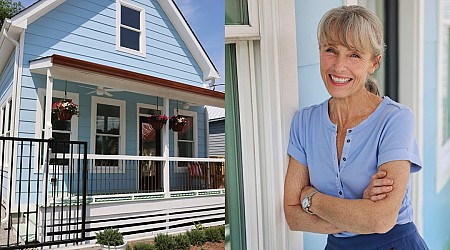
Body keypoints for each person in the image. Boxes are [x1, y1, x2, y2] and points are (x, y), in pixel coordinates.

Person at [284, 5, 429, 250]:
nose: (339, 67)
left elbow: (381, 219)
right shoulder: (304, 122)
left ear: (374, 63)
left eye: (354, 55)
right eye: (331, 50)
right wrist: (358, 212)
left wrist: (312, 199)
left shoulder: (395, 119)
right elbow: (292, 215)